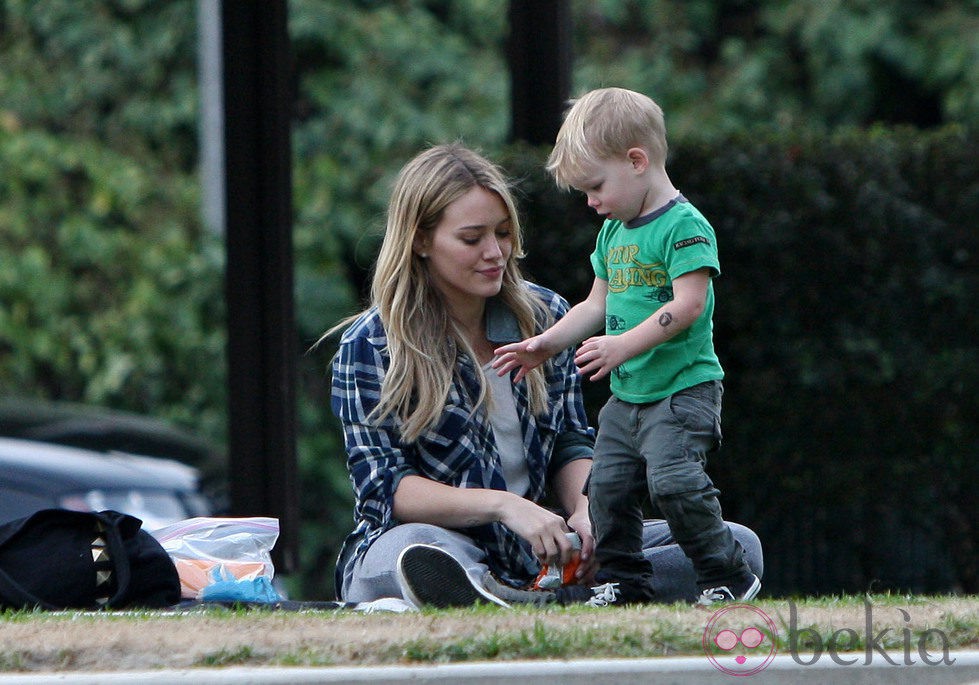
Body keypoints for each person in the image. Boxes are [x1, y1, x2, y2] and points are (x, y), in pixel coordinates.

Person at [327, 142, 762, 609]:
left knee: (737, 545)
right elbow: (387, 489)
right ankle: (488, 592)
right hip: (442, 539)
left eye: (503, 233)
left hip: (544, 552)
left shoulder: (547, 316)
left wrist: (587, 511)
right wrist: (505, 506)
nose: (495, 253)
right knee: (406, 554)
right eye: (472, 239)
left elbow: (572, 441)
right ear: (420, 241)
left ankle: (517, 599)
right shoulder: (369, 346)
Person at [493, 88, 762, 607]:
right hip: (630, 396)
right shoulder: (614, 234)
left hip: (682, 388)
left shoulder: (684, 227)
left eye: (595, 187)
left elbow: (688, 305)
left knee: (675, 481)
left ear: (636, 161)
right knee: (606, 489)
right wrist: (544, 345)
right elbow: (595, 304)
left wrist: (621, 346)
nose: (591, 203)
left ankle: (726, 573)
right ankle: (622, 582)